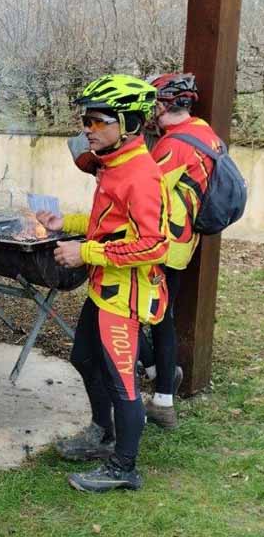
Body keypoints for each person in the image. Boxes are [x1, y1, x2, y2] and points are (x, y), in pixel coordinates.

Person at [37, 74, 169, 492]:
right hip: (103, 288)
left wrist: (85, 253)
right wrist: (67, 223)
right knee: (83, 358)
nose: (87, 130)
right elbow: (107, 224)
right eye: (85, 121)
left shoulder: (141, 175)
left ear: (128, 123)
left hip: (125, 296)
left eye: (97, 121)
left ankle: (124, 467)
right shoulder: (113, 165)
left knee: (122, 381)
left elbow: (154, 245)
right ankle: (102, 432)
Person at [139, 73, 217, 428]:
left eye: (153, 104)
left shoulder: (174, 146)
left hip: (164, 246)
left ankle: (163, 394)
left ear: (165, 104)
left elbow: (143, 189)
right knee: (161, 316)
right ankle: (162, 379)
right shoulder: (204, 132)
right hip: (184, 243)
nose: (150, 112)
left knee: (142, 313)